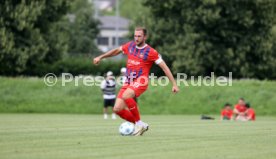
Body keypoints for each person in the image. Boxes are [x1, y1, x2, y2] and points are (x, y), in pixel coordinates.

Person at [93, 26, 179, 136]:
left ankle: (138, 124)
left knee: (126, 95)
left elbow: (165, 67)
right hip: (128, 82)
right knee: (117, 109)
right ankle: (141, 124)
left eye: (139, 36)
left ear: (145, 37)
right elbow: (116, 51)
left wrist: (174, 84)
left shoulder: (151, 52)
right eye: (135, 36)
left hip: (141, 81)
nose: (136, 38)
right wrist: (101, 57)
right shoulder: (130, 46)